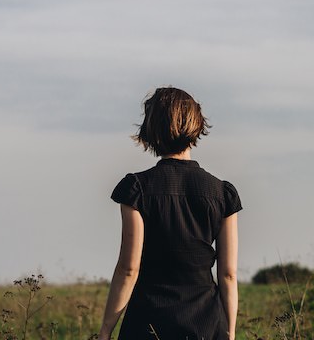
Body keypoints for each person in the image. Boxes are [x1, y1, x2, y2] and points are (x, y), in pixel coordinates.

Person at [97, 87, 242, 340]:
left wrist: (106, 330)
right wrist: (229, 333)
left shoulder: (136, 189)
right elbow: (228, 274)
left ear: (150, 130)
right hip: (206, 324)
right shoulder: (223, 193)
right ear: (196, 125)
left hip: (147, 322)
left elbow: (128, 269)